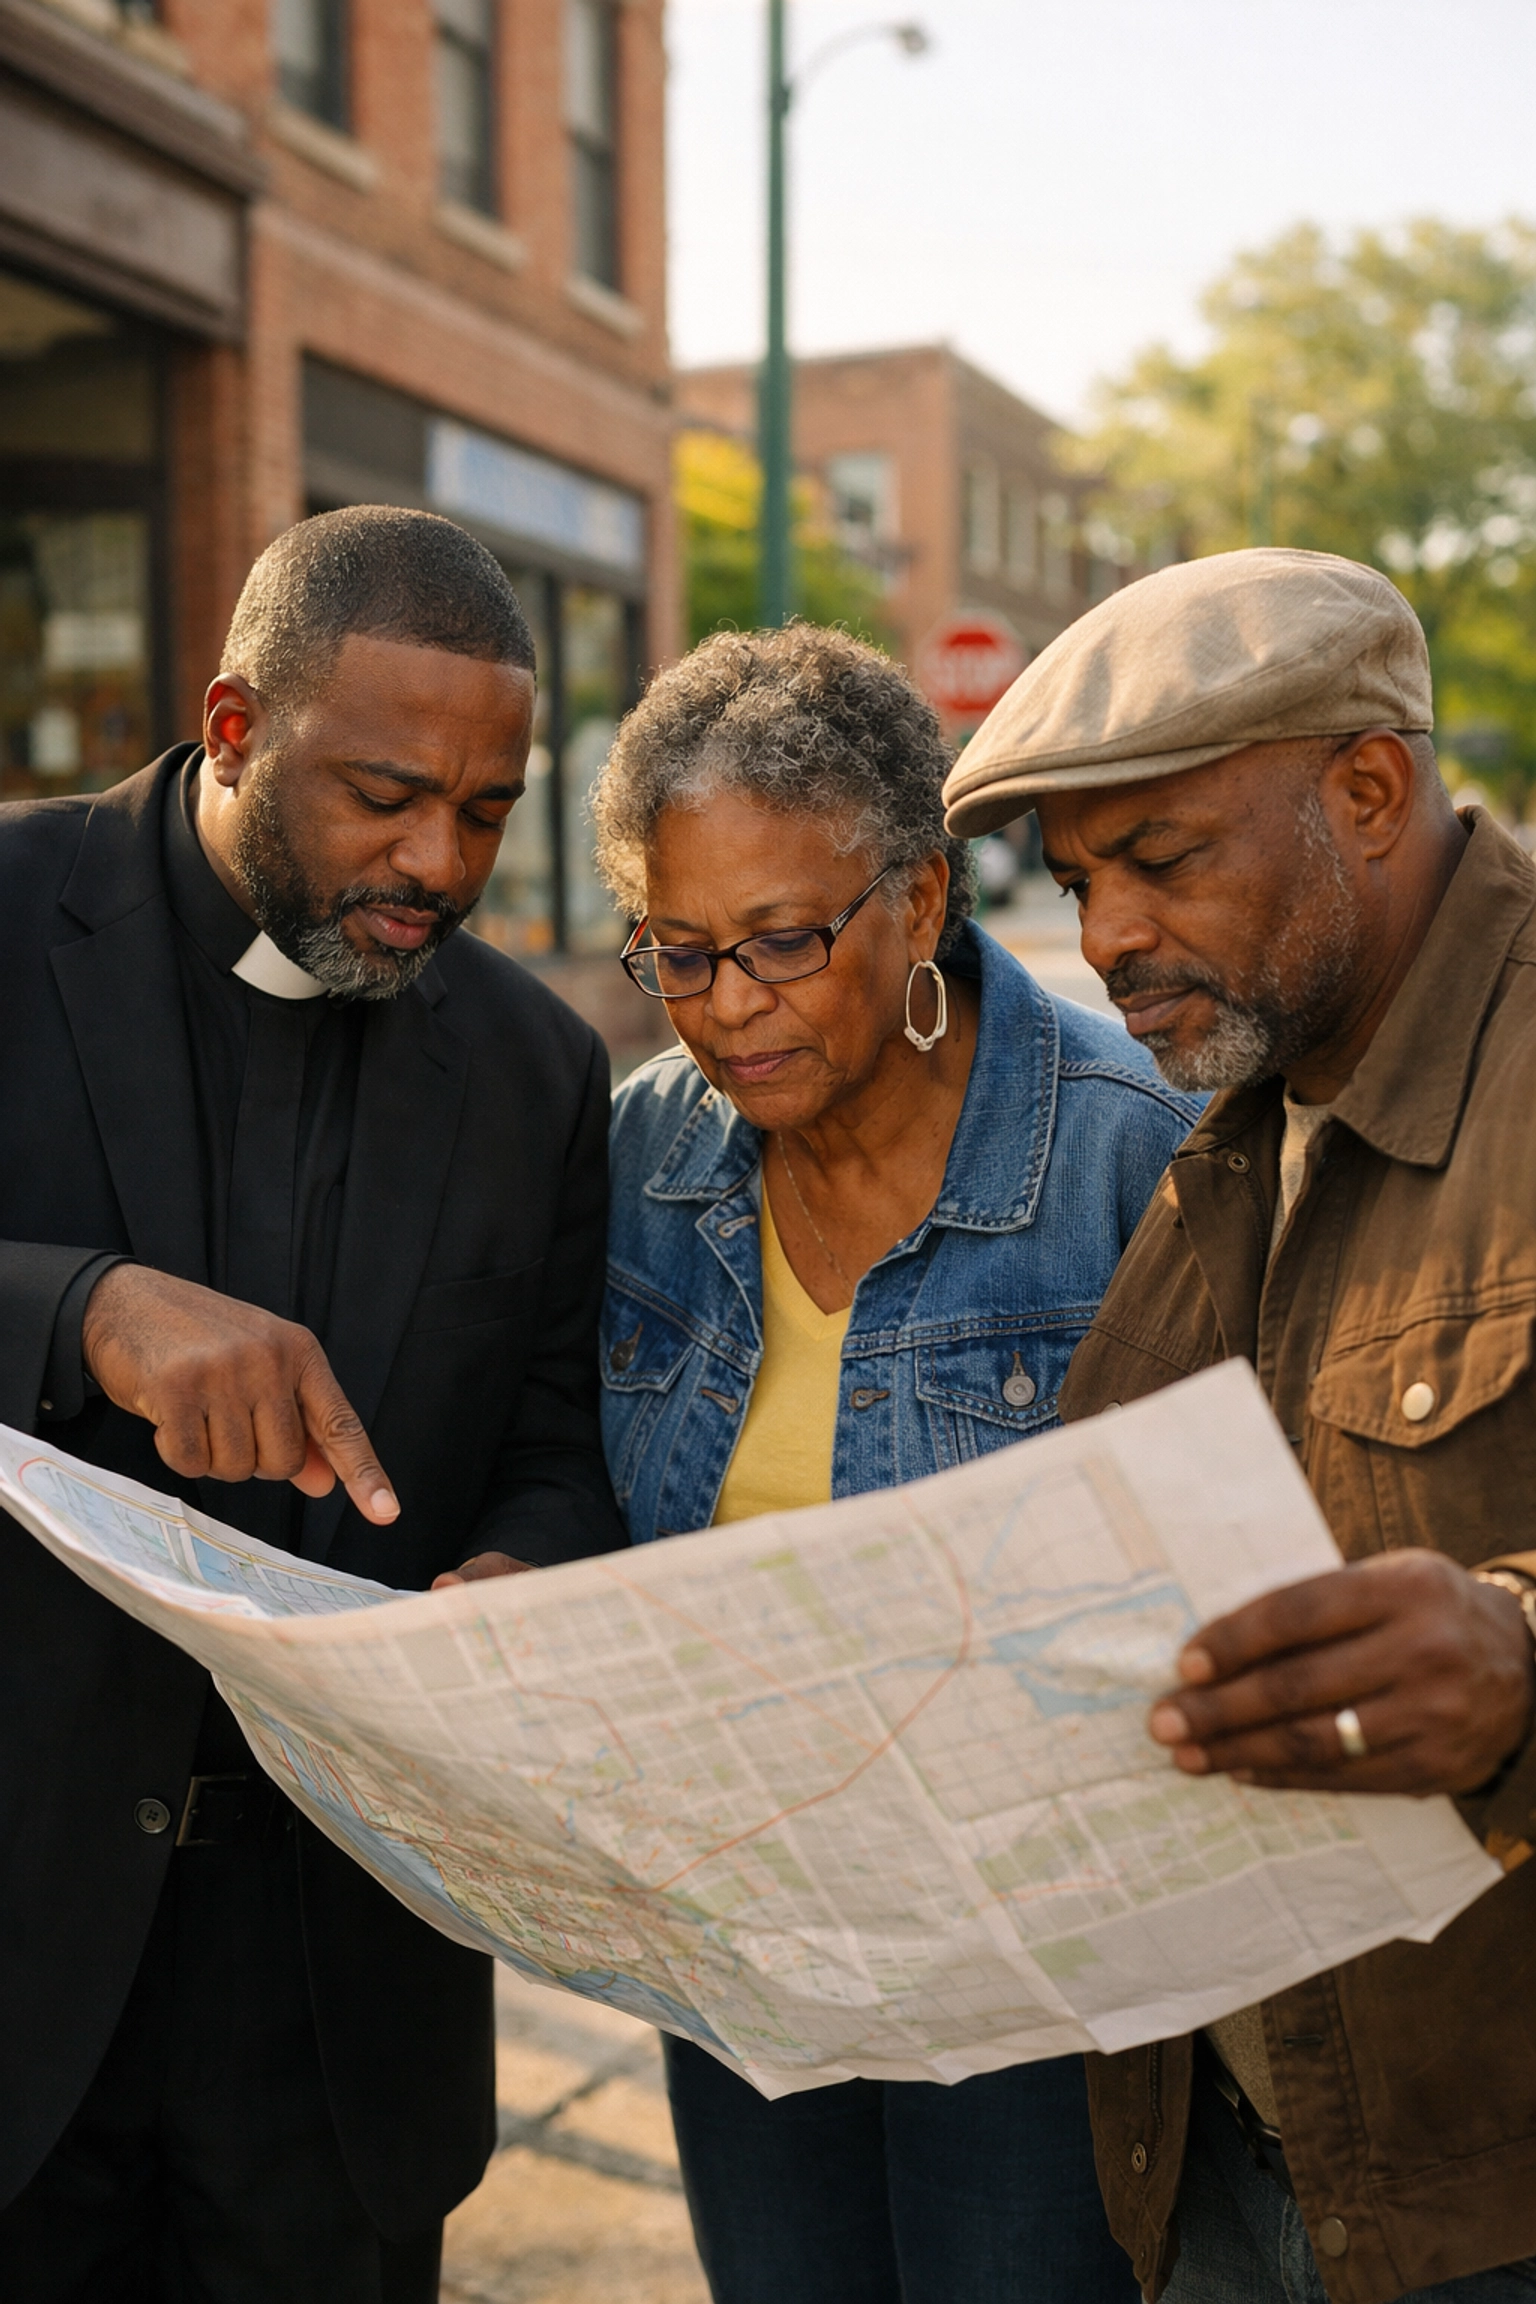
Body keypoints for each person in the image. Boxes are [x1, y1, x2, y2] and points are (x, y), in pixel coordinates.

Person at [0, 506, 625, 2301]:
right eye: (382, 795)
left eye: (489, 811)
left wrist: (522, 1567)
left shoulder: (536, 1064)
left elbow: (553, 1439)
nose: (437, 860)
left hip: (345, 2015)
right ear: (231, 726)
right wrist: (82, 1312)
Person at [942, 545, 1536, 2304]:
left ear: (1367, 789)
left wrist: (1519, 1660)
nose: (1105, 936)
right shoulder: (1227, 1113)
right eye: (1071, 880)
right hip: (1219, 2173)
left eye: (1164, 859)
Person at [587, 625, 1200, 2304]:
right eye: (678, 952)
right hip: (745, 1945)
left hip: (1026, 1969)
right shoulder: (650, 1151)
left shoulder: (1130, 1154)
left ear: (923, 902)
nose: (729, 1007)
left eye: (782, 942)